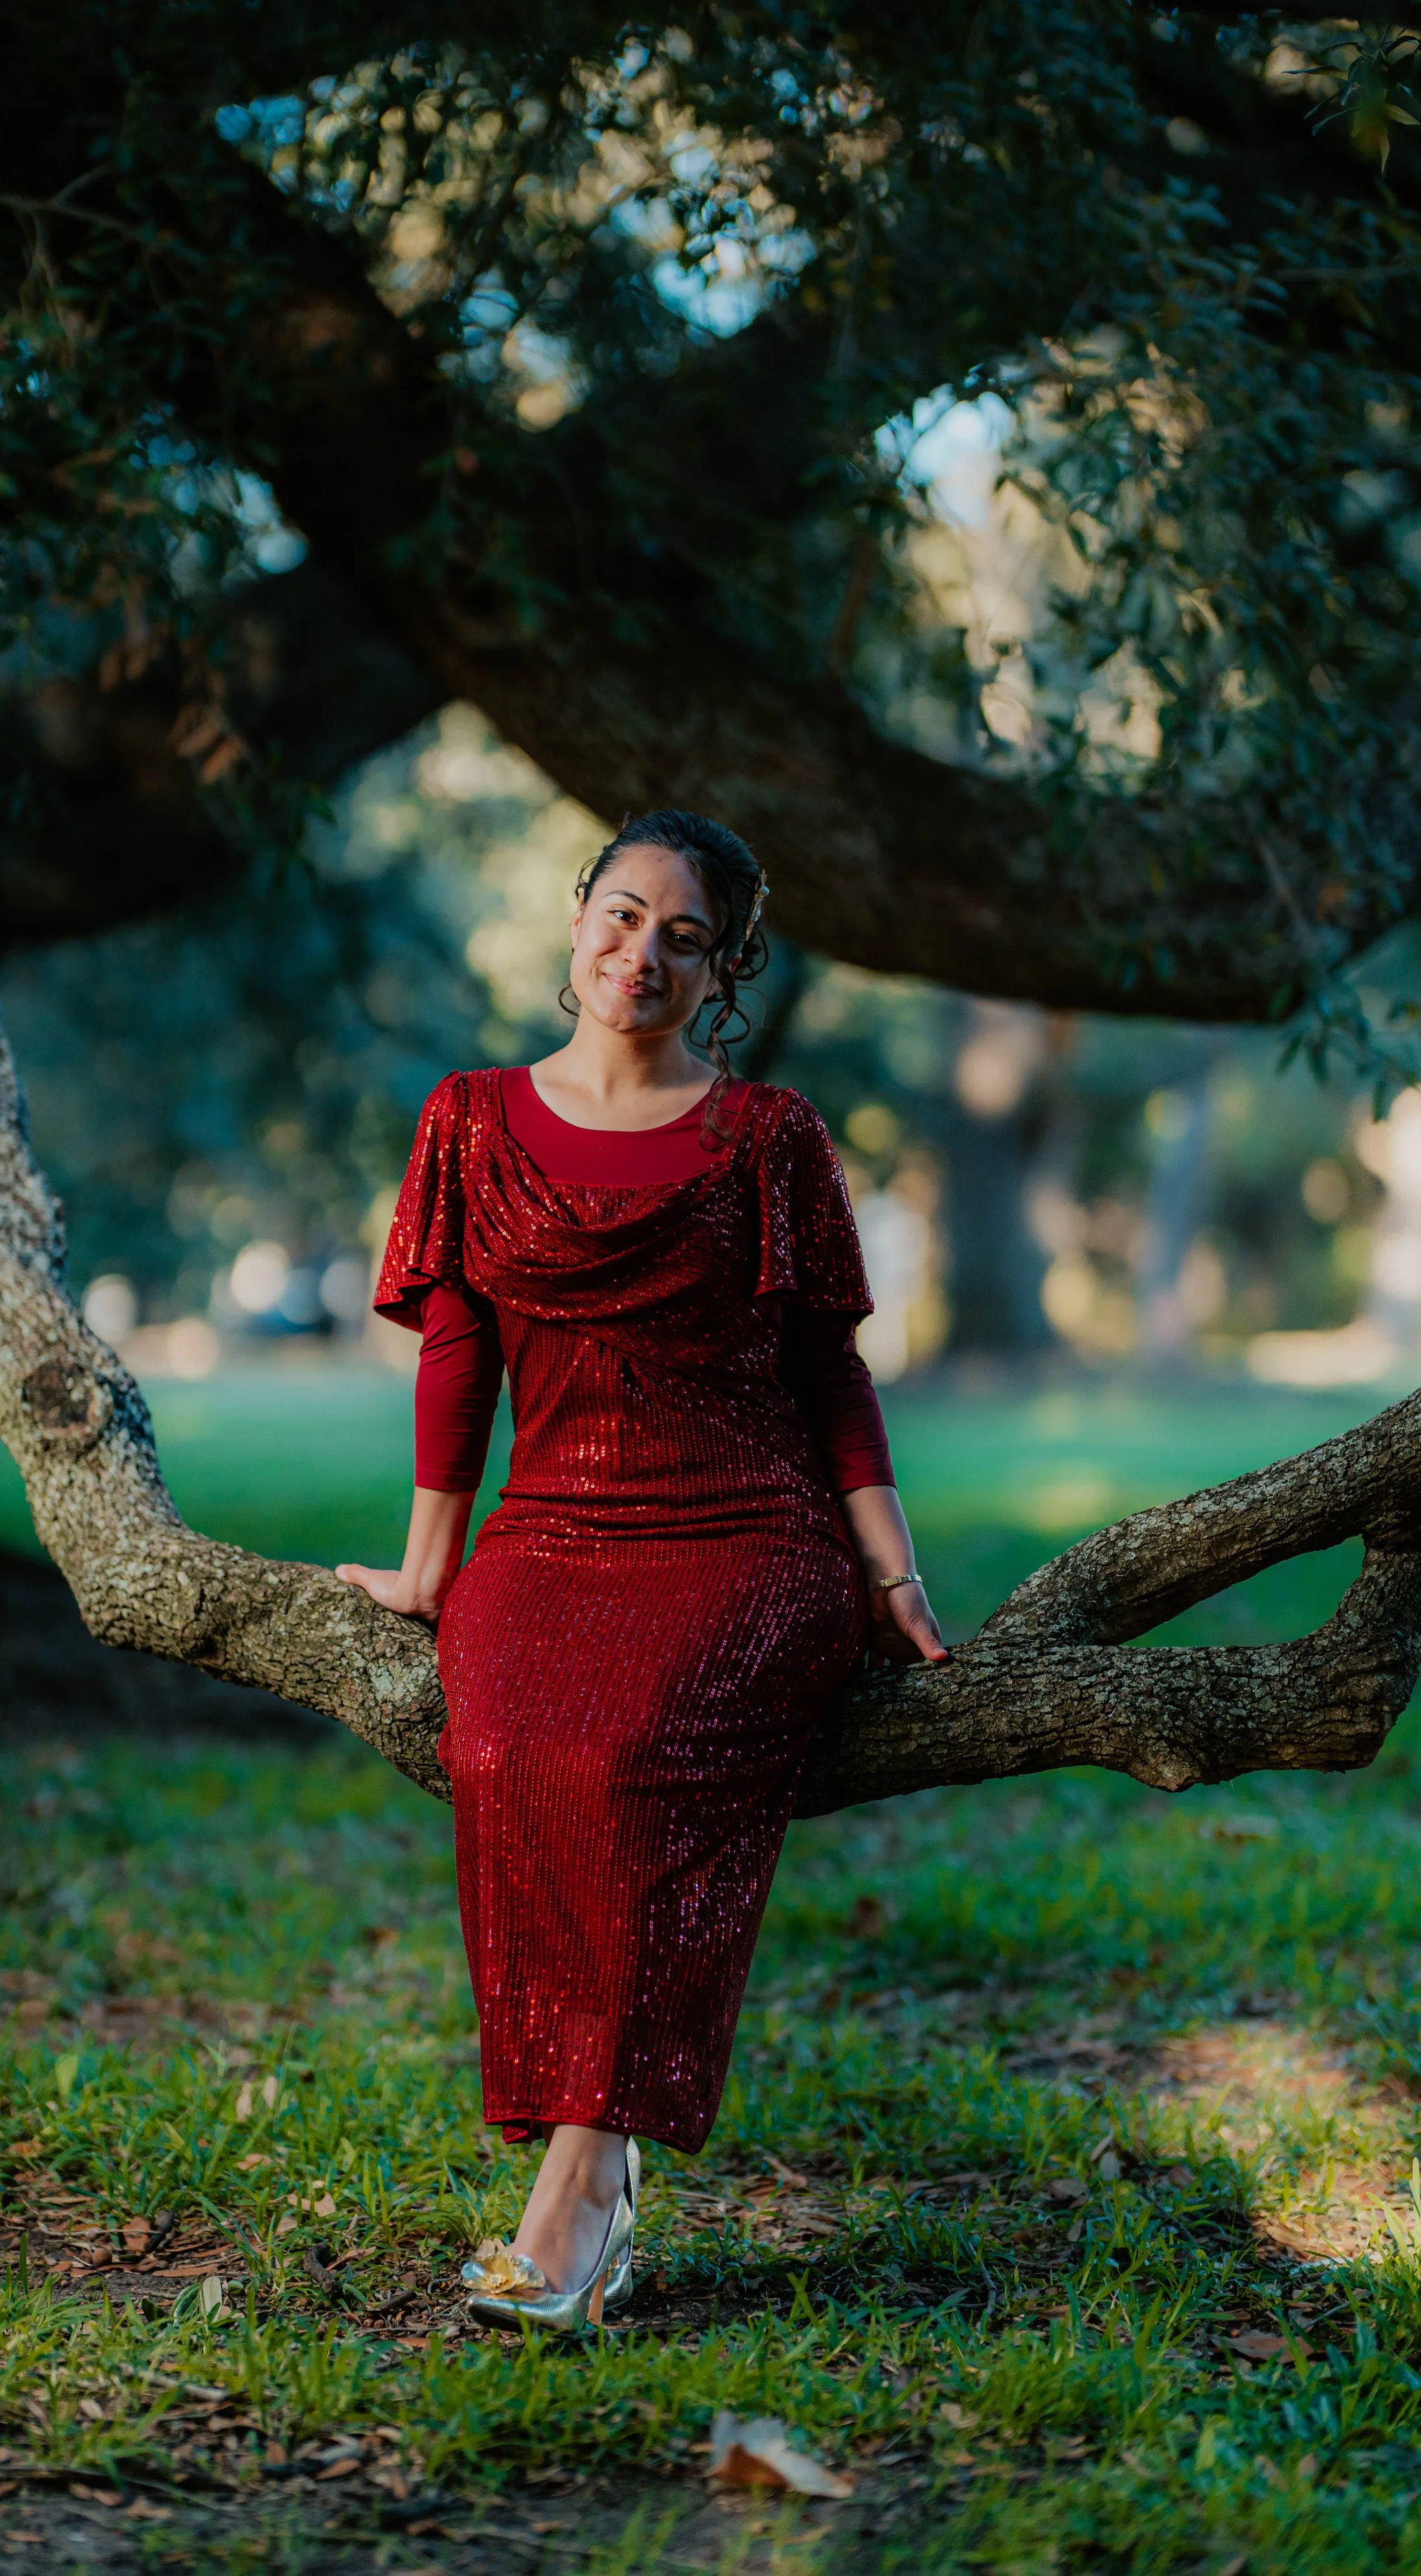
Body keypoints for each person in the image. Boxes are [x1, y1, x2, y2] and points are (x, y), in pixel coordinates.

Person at [337, 809, 946, 2332]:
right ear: (573, 922)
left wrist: (888, 1572)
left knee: (628, 1747)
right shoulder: (469, 1118)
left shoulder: (769, 1139)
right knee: (503, 1737)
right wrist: (427, 1566)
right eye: (621, 917)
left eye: (685, 939)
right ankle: (582, 2170)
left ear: (724, 971)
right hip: (547, 1530)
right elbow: (458, 1355)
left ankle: (582, 2188)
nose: (641, 956)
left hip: (748, 1531)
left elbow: (831, 1376)